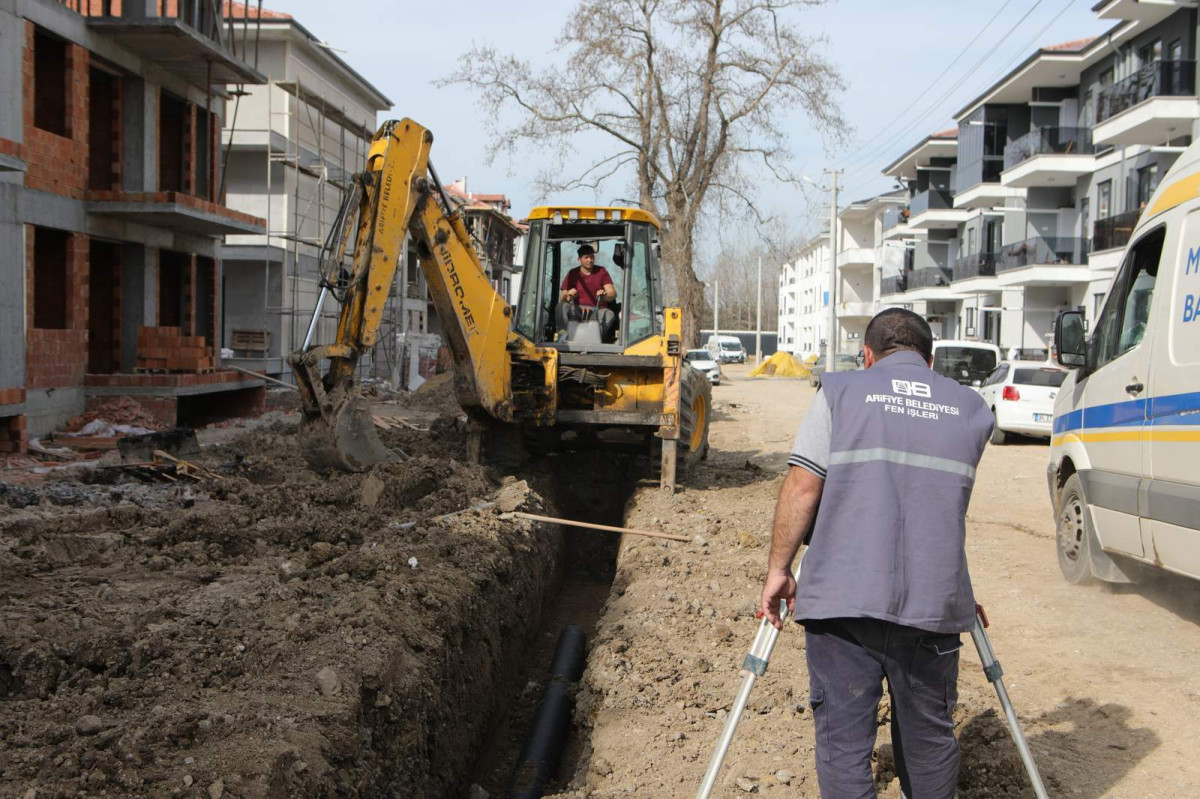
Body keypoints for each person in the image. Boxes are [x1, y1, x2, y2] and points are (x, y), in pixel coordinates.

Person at [759, 308, 993, 799]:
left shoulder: (841, 393)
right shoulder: (972, 409)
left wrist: (779, 569)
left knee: (844, 744)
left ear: (867, 356)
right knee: (929, 741)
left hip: (844, 602)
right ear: (930, 361)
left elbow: (803, 488)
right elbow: (940, 505)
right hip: (933, 606)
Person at [558, 244, 617, 340]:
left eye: (592, 257)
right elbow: (563, 296)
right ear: (579, 259)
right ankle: (563, 338)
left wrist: (603, 295)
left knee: (609, 314)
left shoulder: (601, 271)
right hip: (576, 310)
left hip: (598, 310)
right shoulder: (572, 273)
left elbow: (612, 293)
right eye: (586, 257)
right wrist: (569, 293)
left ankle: (594, 339)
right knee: (561, 307)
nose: (590, 260)